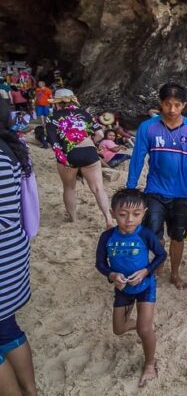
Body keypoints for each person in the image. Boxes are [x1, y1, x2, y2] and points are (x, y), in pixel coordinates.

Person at [127, 83, 187, 290]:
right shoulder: (148, 127)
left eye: (177, 105)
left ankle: (175, 274)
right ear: (160, 104)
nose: (172, 110)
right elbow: (137, 158)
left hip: (184, 194)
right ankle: (158, 262)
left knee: (178, 235)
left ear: (184, 105)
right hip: (155, 191)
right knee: (153, 232)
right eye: (167, 104)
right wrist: (130, 188)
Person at [95, 189, 166, 388]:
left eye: (136, 214)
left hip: (145, 286)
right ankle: (145, 325)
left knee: (144, 330)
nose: (129, 220)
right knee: (118, 329)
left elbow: (161, 255)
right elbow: (100, 263)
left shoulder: (145, 234)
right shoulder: (107, 236)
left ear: (143, 213)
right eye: (123, 214)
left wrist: (146, 271)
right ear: (113, 212)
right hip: (122, 288)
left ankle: (150, 363)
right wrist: (111, 275)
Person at [0, 102, 38, 396]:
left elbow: (5, 215)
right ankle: (29, 390)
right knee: (6, 328)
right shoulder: (8, 150)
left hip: (3, 261)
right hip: (11, 257)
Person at [45, 88, 114, 228]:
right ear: (73, 100)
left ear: (57, 102)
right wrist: (91, 142)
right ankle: (108, 219)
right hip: (89, 152)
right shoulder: (84, 114)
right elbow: (100, 134)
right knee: (98, 188)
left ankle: (73, 219)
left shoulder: (53, 116)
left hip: (68, 154)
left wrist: (62, 155)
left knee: (69, 188)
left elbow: (52, 140)